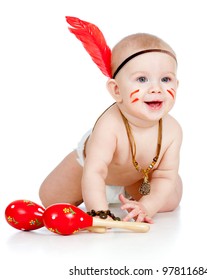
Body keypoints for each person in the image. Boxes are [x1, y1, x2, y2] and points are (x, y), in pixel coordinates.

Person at [39, 16, 183, 224]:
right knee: (50, 198)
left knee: (169, 201)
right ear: (116, 90)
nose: (156, 88)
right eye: (142, 79)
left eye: (166, 79)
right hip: (89, 169)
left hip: (136, 177)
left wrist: (147, 207)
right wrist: (99, 214)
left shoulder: (172, 130)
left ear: (177, 84)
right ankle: (99, 196)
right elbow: (95, 171)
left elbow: (165, 175)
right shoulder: (109, 126)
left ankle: (130, 196)